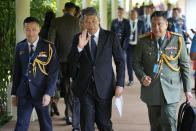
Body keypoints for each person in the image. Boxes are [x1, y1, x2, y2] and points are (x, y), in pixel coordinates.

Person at [133, 11, 192, 131]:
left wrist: (187, 89)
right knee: (155, 124)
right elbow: (136, 63)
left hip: (171, 89)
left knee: (168, 120)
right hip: (151, 89)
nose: (156, 28)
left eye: (159, 24)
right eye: (153, 24)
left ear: (166, 24)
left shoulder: (177, 40)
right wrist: (142, 77)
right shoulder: (143, 41)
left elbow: (185, 66)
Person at [68, 7, 125, 131]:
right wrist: (79, 47)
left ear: (99, 20)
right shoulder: (78, 38)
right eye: (87, 21)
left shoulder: (110, 36)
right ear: (83, 23)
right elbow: (71, 62)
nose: (91, 24)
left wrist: (120, 84)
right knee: (87, 124)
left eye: (93, 21)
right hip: (85, 87)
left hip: (104, 85)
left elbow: (120, 61)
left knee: (103, 122)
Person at [11, 17, 59, 131]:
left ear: (39, 29)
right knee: (21, 125)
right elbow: (16, 72)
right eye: (27, 29)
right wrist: (14, 94)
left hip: (42, 93)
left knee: (46, 125)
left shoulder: (49, 47)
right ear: (24, 29)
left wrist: (48, 93)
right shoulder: (20, 47)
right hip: (24, 93)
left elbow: (53, 72)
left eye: (34, 29)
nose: (31, 32)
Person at [48, 2, 80, 125]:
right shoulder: (78, 22)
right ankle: (70, 115)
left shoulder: (55, 22)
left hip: (59, 60)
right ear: (74, 11)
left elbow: (51, 42)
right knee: (70, 87)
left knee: (61, 85)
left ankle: (66, 112)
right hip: (75, 60)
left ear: (63, 10)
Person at [39, 10, 60, 117]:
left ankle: (49, 107)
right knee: (54, 82)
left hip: (42, 61)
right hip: (54, 58)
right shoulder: (55, 28)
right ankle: (53, 104)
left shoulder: (41, 30)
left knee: (46, 83)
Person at [126, 10, 145, 86]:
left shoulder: (141, 23)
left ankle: (143, 78)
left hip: (139, 46)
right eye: (131, 14)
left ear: (137, 15)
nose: (132, 15)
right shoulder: (126, 23)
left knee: (140, 64)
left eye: (134, 14)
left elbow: (144, 34)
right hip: (129, 46)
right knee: (129, 63)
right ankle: (131, 79)